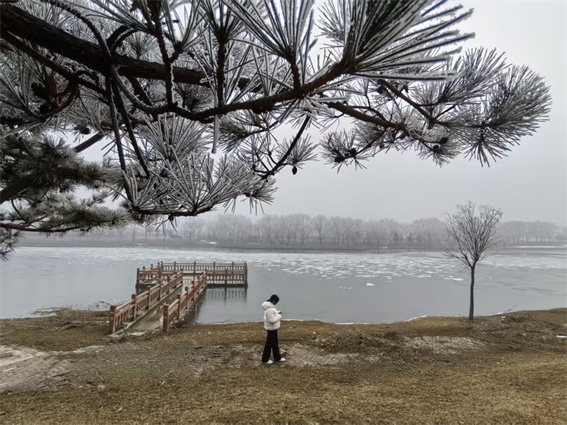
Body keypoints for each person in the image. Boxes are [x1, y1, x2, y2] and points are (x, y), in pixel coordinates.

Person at [261, 294, 286, 365]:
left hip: (272, 328)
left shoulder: (270, 307)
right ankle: (265, 359)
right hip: (271, 329)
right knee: (269, 345)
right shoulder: (270, 309)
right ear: (274, 301)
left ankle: (277, 357)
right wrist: (279, 316)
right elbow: (272, 320)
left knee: (274, 344)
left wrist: (277, 312)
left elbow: (272, 316)